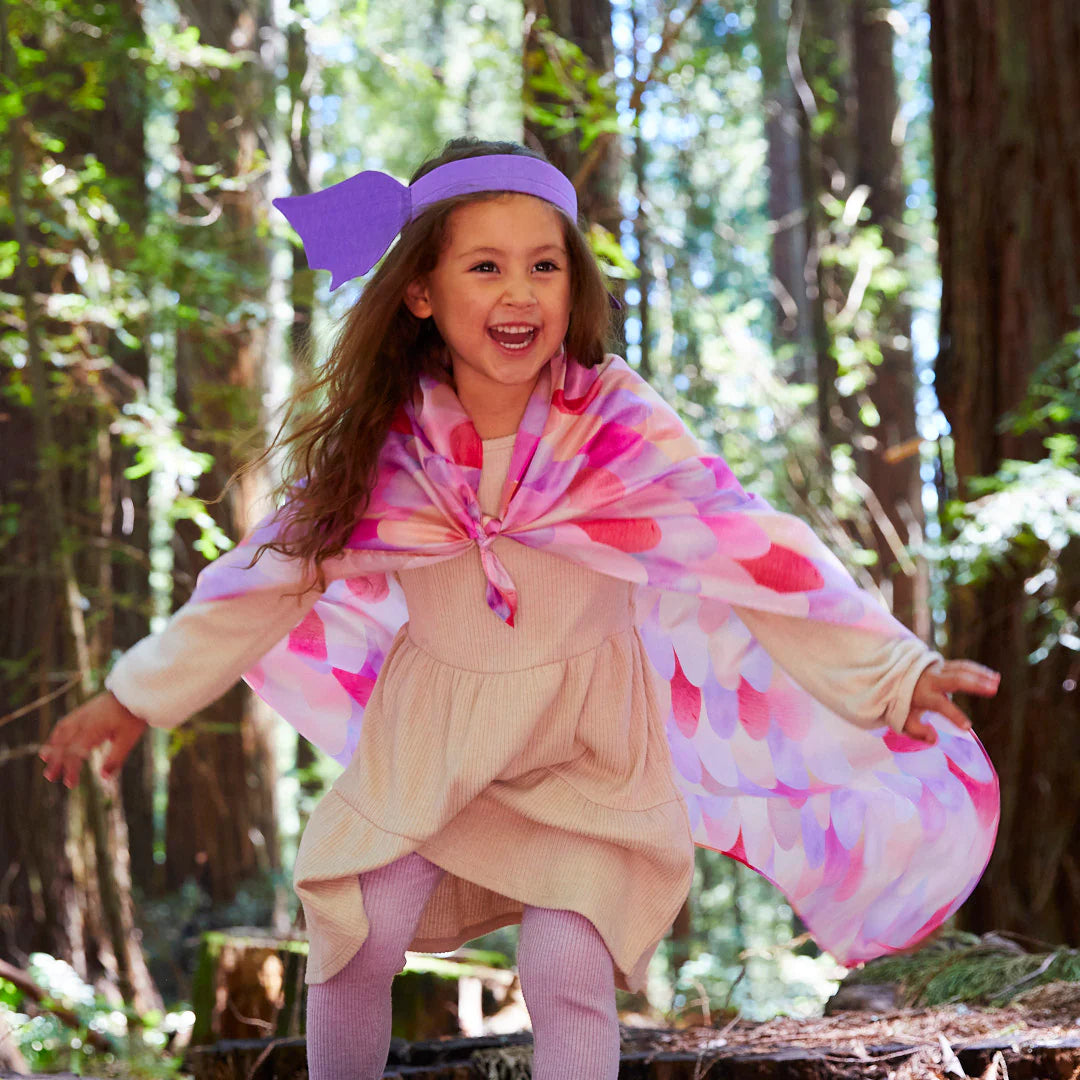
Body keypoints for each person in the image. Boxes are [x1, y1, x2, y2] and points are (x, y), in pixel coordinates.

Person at [41, 137, 1001, 1080]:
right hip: (432, 747)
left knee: (565, 964)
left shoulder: (611, 426)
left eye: (544, 266)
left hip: (587, 756)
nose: (519, 292)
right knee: (354, 934)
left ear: (573, 287)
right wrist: (134, 697)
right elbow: (262, 579)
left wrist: (896, 671)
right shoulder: (390, 448)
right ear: (421, 293)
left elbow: (747, 542)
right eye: (486, 266)